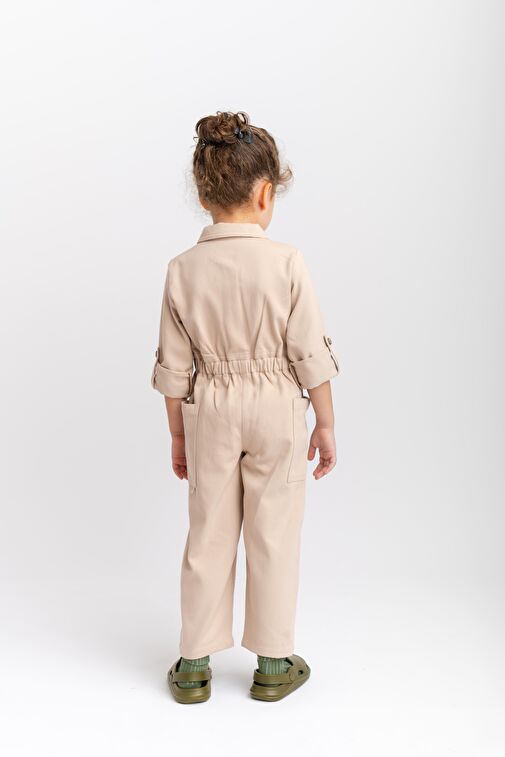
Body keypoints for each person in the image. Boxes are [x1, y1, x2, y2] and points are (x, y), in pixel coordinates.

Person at [151, 110, 340, 703]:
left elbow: (175, 370)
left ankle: (193, 665)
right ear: (265, 194)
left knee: (208, 531)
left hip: (210, 408)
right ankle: (274, 665)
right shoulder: (287, 262)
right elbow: (308, 351)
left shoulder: (181, 270)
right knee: (274, 532)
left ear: (203, 196)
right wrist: (325, 421)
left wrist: (179, 435)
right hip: (277, 406)